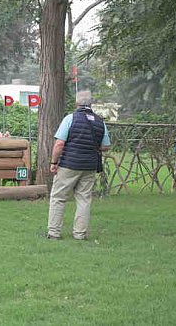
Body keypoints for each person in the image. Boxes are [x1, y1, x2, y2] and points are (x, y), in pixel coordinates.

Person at [46, 90, 111, 240]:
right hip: (89, 166)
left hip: (69, 164)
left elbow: (59, 143)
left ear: (77, 104)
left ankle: (54, 233)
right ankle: (80, 234)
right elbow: (106, 146)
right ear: (91, 104)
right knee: (84, 199)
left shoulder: (71, 118)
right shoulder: (100, 122)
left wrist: (54, 162)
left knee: (58, 197)